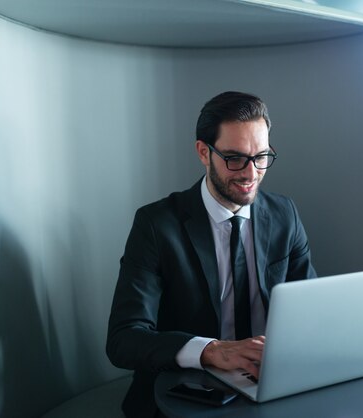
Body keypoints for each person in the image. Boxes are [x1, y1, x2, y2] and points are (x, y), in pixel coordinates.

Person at [106, 91, 317, 417]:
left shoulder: (283, 213)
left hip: (273, 386)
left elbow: (311, 310)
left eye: (261, 156)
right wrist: (210, 350)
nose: (251, 173)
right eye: (235, 158)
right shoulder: (156, 225)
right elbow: (123, 339)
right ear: (204, 153)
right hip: (186, 394)